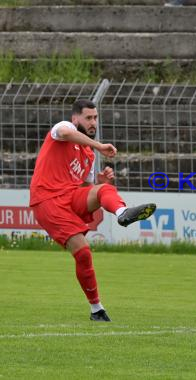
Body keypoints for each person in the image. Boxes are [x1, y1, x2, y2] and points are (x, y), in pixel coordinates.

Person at [29, 99, 157, 322]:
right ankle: (97, 309)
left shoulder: (88, 154)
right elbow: (66, 133)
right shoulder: (62, 129)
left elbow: (85, 187)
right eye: (88, 118)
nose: (93, 122)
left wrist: (97, 180)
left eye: (95, 118)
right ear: (75, 118)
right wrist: (98, 145)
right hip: (47, 200)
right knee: (84, 253)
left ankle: (122, 213)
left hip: (69, 196)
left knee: (103, 189)